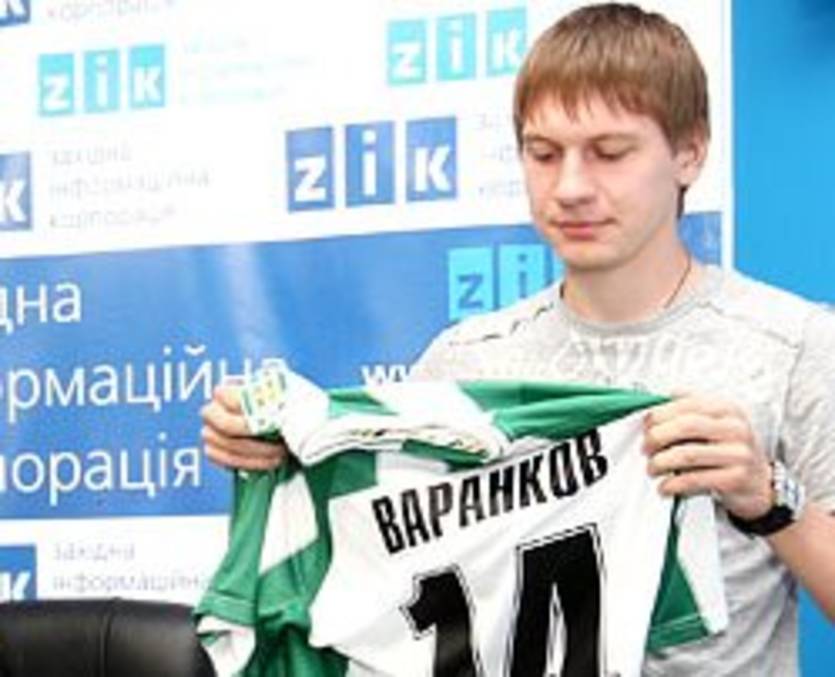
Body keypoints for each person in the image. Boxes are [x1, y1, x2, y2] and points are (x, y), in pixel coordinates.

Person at [201, 3, 835, 675]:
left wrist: (770, 499)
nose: (570, 187)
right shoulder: (464, 362)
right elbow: (375, 582)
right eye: (543, 154)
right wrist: (276, 445)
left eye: (609, 153)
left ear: (689, 153)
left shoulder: (794, 344)